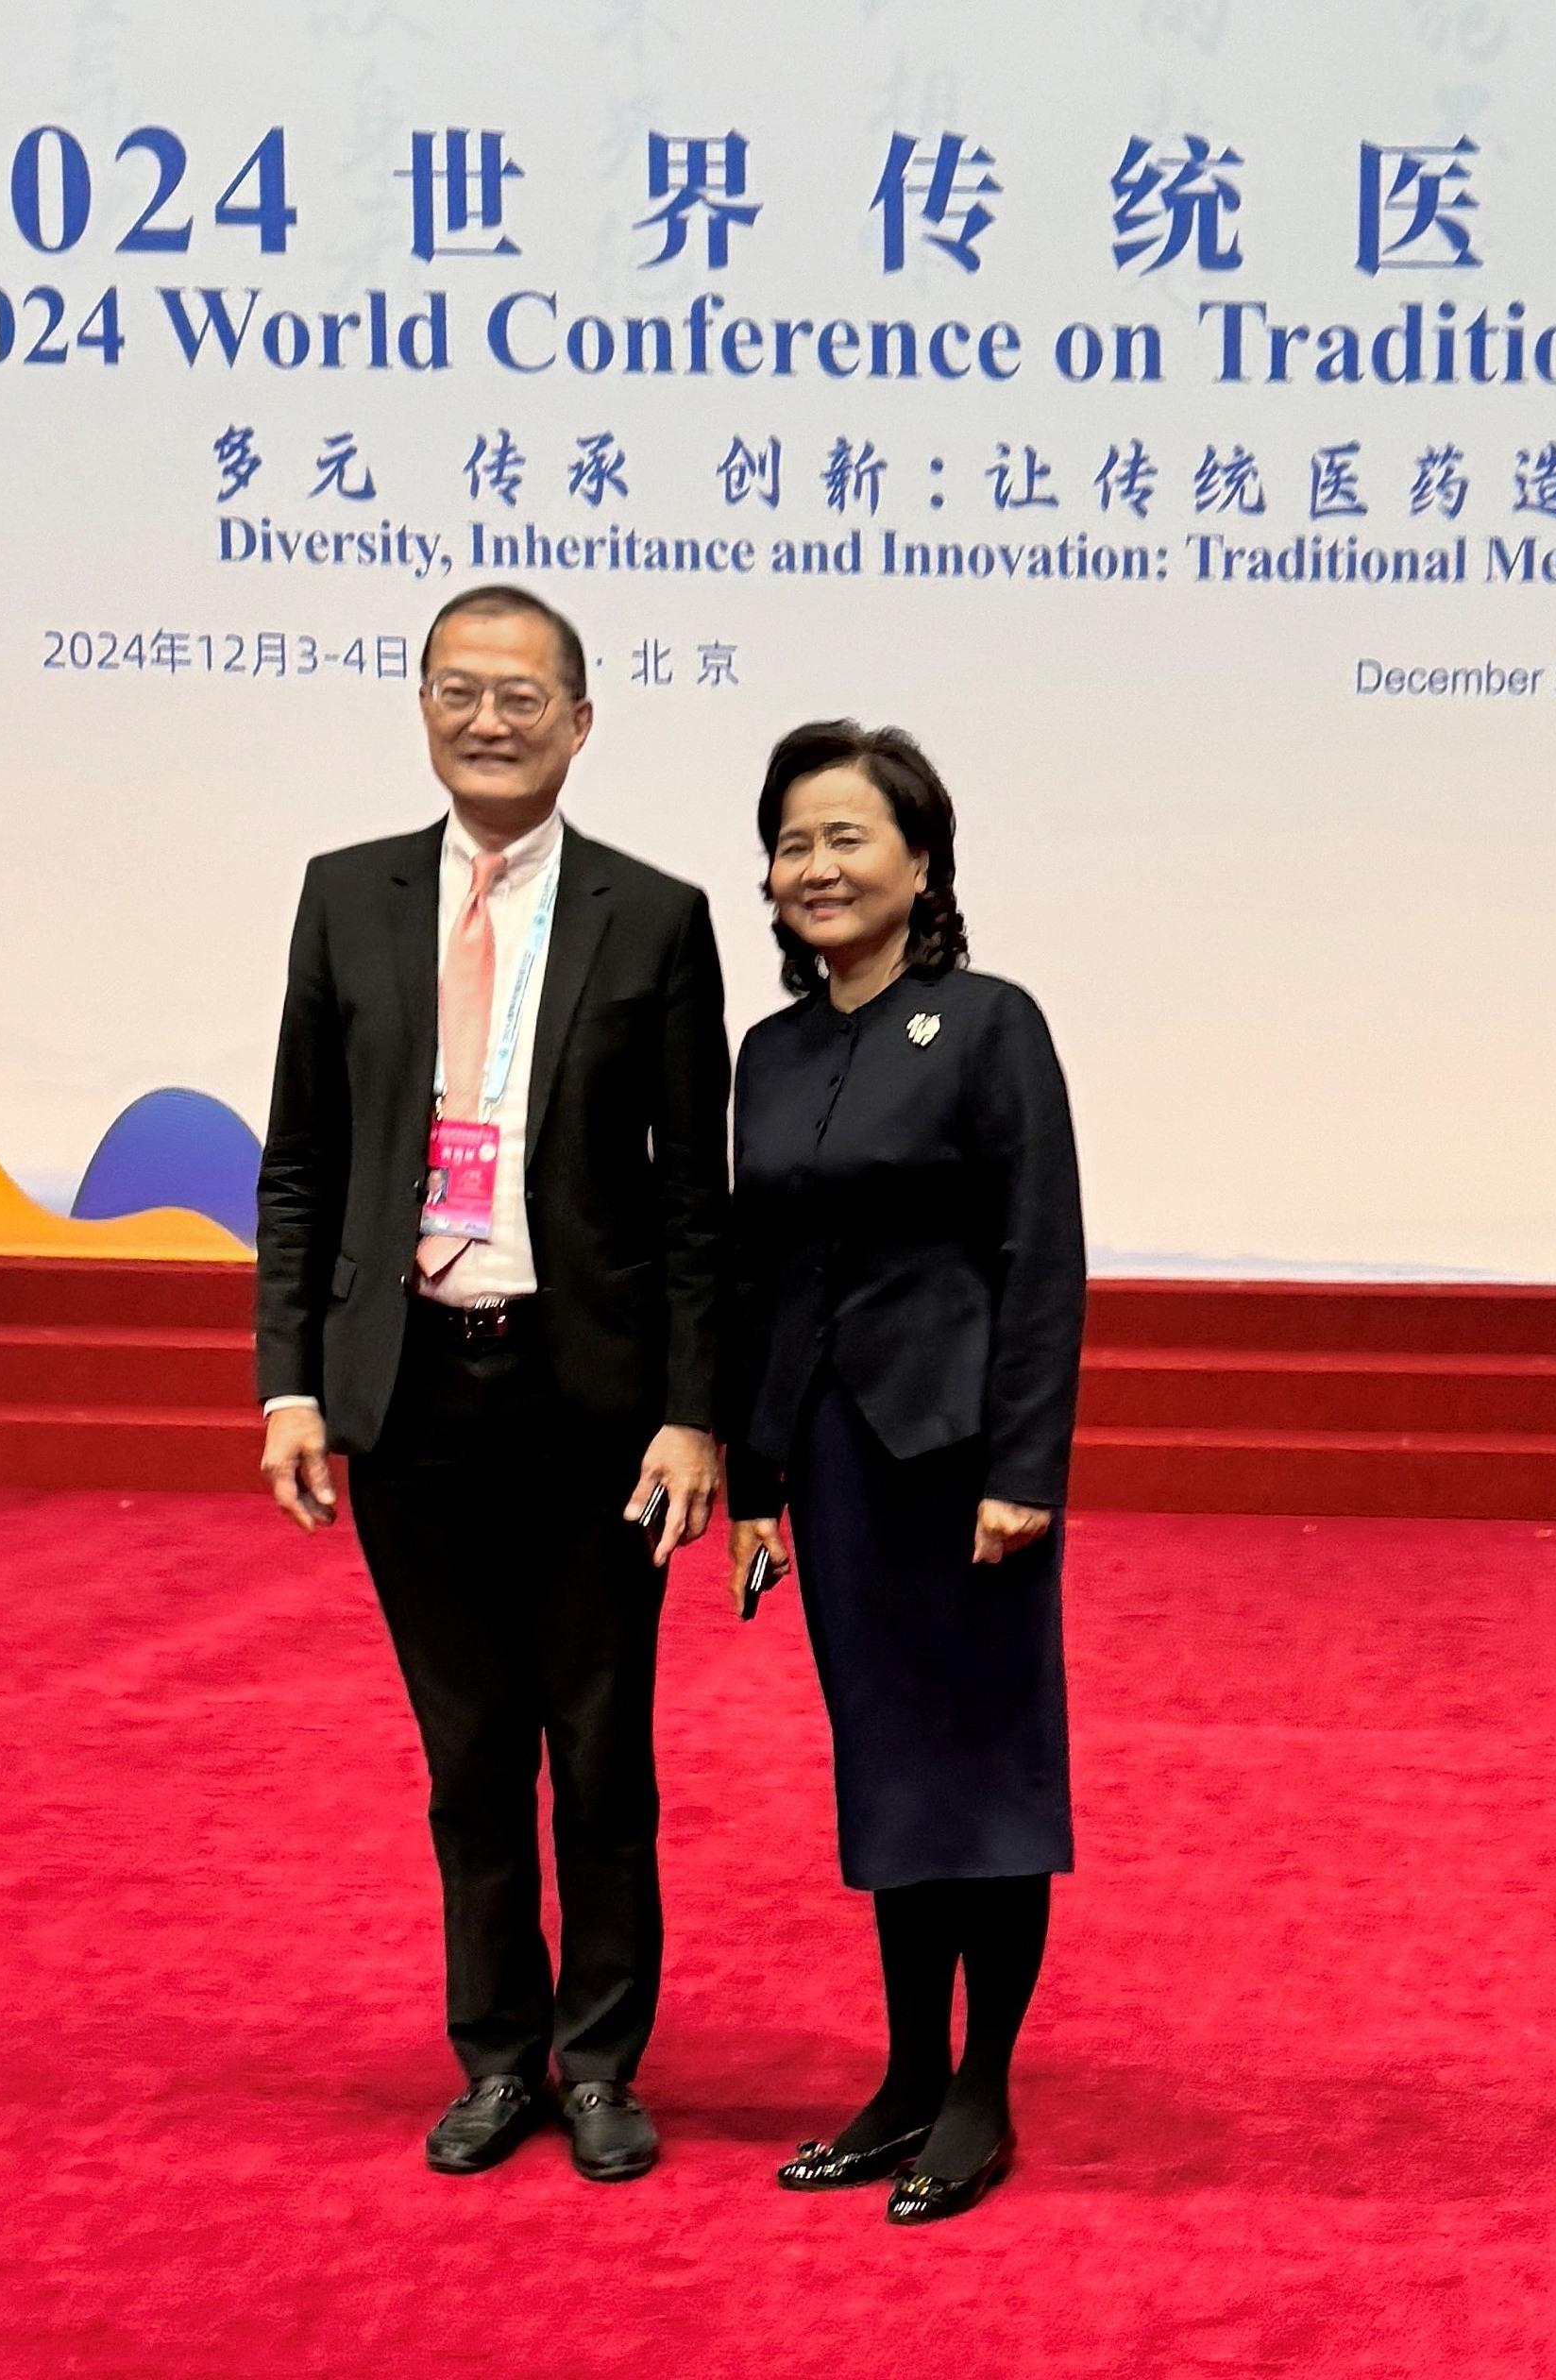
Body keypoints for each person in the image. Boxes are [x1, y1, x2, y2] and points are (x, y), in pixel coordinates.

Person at [253, 584, 729, 2184]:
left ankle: (599, 2064)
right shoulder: (345, 897)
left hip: (588, 1403)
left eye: (524, 695)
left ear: (581, 724)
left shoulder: (653, 917)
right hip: (407, 1395)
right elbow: (303, 1162)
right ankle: (497, 2056)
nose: (489, 718)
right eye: (460, 688)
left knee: (599, 1754)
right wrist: (290, 1386)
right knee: (469, 1757)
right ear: (422, 707)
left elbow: (688, 1200)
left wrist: (690, 1406)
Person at [721, 722, 1087, 2227]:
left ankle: (980, 2088)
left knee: (980, 1773)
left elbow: (1038, 1256)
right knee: (886, 1769)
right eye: (792, 843)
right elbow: (761, 1274)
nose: (815, 867)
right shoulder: (773, 1048)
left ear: (918, 861)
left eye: (845, 838)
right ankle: (901, 2075)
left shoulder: (988, 1023)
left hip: (959, 1461)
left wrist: (1024, 1466)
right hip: (829, 1461)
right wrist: (752, 1478)